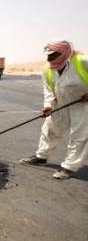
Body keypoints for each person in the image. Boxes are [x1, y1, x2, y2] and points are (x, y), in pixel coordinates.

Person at [20, 40, 88, 180]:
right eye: (48, 55)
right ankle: (41, 156)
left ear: (64, 53)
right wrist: (48, 105)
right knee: (50, 129)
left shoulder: (82, 61)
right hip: (61, 104)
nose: (49, 59)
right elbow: (49, 90)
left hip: (82, 105)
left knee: (79, 136)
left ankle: (69, 167)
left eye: (52, 55)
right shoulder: (48, 69)